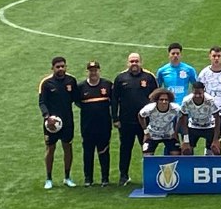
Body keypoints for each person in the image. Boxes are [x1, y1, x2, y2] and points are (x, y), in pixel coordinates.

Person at [112, 52, 158, 186]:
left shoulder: (149, 77)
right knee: (125, 149)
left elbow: (156, 98)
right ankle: (124, 176)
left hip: (144, 122)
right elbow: (114, 99)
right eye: (132, 61)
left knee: (147, 148)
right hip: (126, 122)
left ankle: (150, 176)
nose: (134, 64)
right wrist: (115, 118)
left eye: (136, 61)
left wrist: (154, 118)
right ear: (128, 63)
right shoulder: (120, 78)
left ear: (141, 62)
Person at [39, 56, 78, 189]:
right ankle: (48, 178)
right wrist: (47, 117)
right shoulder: (46, 83)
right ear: (53, 68)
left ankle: (67, 177)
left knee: (68, 147)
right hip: (51, 124)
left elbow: (77, 99)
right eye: (58, 67)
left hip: (67, 121)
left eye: (63, 66)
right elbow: (42, 102)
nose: (61, 69)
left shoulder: (71, 81)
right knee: (50, 148)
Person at [76, 60, 112, 187]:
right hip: (87, 127)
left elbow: (113, 102)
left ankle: (105, 178)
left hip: (104, 126)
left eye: (95, 70)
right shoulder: (80, 87)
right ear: (87, 72)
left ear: (99, 71)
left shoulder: (107, 85)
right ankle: (88, 179)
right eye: (91, 70)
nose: (93, 73)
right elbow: (77, 102)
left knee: (104, 152)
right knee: (88, 153)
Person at [178, 82, 221, 155]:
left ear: (204, 91)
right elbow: (183, 118)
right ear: (192, 91)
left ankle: (209, 160)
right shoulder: (186, 101)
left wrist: (215, 139)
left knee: (216, 150)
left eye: (200, 93)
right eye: (195, 93)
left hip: (209, 126)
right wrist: (186, 140)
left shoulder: (210, 100)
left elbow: (217, 117)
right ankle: (190, 165)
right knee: (186, 150)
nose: (197, 96)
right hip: (193, 126)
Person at [139, 88, 181, 156]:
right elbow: (140, 116)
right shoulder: (149, 109)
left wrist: (176, 131)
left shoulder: (176, 109)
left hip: (169, 135)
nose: (164, 102)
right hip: (152, 135)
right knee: (147, 155)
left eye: (166, 100)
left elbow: (182, 117)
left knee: (176, 154)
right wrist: (146, 132)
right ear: (156, 100)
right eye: (161, 100)